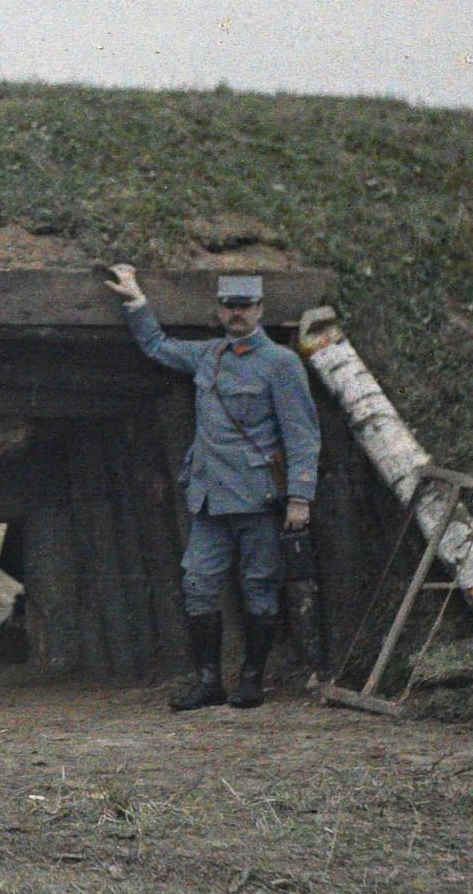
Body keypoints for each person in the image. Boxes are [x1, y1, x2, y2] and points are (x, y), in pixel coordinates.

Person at [104, 265, 320, 710]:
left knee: (260, 587)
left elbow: (302, 433)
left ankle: (252, 681)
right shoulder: (208, 356)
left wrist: (300, 497)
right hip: (208, 500)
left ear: (260, 309)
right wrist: (136, 301)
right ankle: (209, 682)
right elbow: (156, 346)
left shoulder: (281, 364)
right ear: (218, 310)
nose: (235, 314)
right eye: (228, 306)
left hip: (259, 499)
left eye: (244, 306)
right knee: (198, 583)